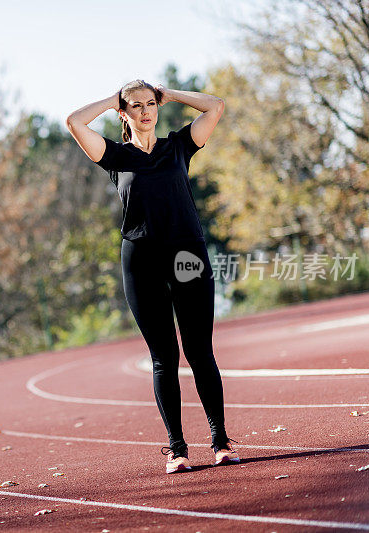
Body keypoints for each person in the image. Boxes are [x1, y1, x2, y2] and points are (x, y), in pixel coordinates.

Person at [65, 79, 239, 474]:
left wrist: (170, 94)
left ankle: (220, 441)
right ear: (124, 114)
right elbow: (74, 122)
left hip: (186, 256)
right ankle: (177, 449)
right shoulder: (115, 155)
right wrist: (112, 101)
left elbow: (215, 106)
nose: (146, 111)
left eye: (150, 104)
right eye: (136, 106)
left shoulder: (178, 146)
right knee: (164, 358)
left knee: (199, 352)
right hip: (141, 261)